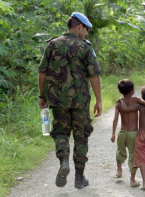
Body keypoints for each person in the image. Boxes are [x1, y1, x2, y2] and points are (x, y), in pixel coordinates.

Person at [38, 12, 102, 189]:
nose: (87, 34)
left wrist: (42, 96)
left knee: (60, 132)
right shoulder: (85, 47)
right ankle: (79, 178)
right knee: (81, 137)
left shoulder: (52, 44)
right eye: (86, 30)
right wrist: (99, 100)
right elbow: (94, 76)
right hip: (80, 102)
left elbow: (42, 72)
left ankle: (63, 161)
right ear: (79, 26)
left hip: (57, 100)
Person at [111, 79, 145, 187]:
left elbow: (115, 119)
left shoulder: (118, 103)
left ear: (119, 91)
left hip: (122, 132)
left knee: (120, 151)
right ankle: (132, 179)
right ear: (133, 91)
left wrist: (113, 133)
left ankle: (119, 170)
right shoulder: (136, 100)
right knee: (133, 156)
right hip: (133, 133)